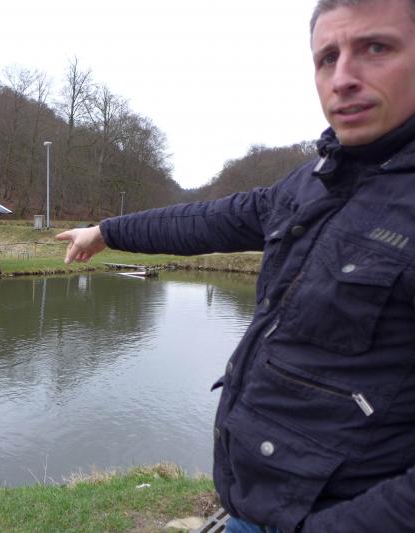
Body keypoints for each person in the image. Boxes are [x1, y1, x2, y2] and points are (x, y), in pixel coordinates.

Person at [57, 0, 415, 531]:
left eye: (376, 48)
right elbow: (209, 220)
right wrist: (107, 232)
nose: (342, 78)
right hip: (253, 505)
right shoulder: (312, 182)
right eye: (327, 57)